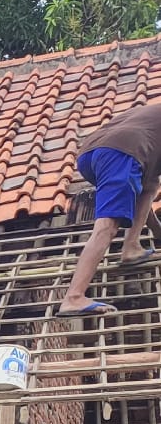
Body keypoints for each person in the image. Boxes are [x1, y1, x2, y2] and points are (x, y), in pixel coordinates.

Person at [62, 104, 161, 316]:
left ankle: (131, 247)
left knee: (151, 184)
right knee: (107, 226)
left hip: (90, 154)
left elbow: (141, 195)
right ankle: (74, 297)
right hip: (121, 152)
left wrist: (156, 229)